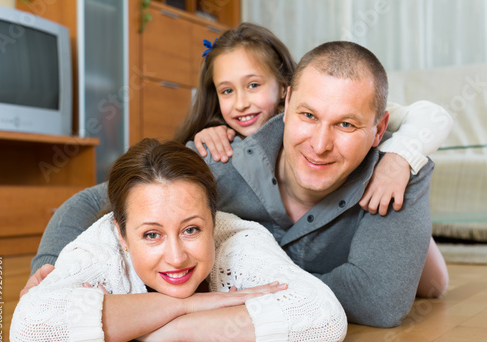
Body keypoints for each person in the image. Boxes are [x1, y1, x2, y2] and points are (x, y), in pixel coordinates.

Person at [10, 138, 347, 342]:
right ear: (122, 236)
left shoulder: (239, 238)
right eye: (152, 235)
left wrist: (162, 328)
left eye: (191, 229)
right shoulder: (99, 249)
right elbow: (28, 328)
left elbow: (324, 316)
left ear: (213, 223)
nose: (176, 257)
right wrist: (191, 305)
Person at [178, 22, 449, 296]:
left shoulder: (336, 96)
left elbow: (431, 116)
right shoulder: (218, 146)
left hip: (402, 226)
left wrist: (400, 155)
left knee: (434, 285)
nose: (241, 103)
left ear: (284, 90)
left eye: (253, 85)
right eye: (227, 91)